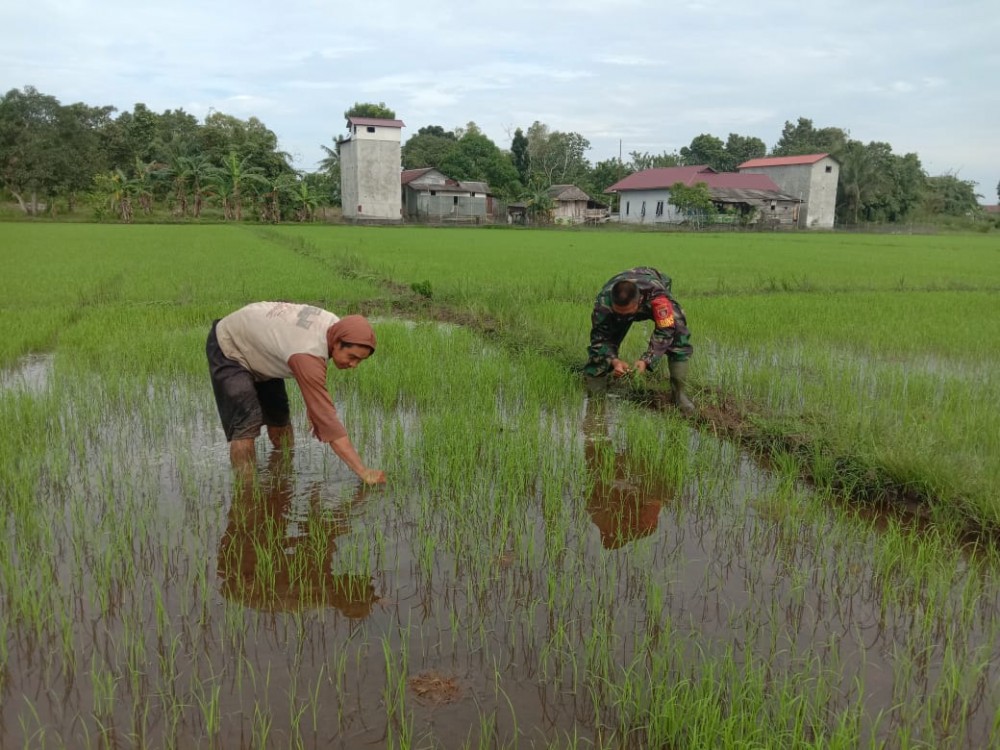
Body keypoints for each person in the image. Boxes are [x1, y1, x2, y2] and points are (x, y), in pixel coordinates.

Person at [206, 301, 385, 484]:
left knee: (279, 417)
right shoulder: (307, 352)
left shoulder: (336, 326)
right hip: (230, 345)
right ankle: (247, 492)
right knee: (245, 426)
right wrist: (364, 472)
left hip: (263, 348)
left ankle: (282, 474)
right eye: (352, 357)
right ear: (337, 343)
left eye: (359, 361)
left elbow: (312, 375)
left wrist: (313, 405)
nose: (354, 365)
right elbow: (329, 425)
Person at [585, 266, 694, 414]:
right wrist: (614, 361)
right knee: (599, 349)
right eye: (620, 313)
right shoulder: (604, 303)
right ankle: (595, 398)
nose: (624, 317)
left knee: (678, 334)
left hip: (653, 281)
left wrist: (646, 360)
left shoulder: (658, 299)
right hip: (617, 296)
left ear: (640, 303)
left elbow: (666, 331)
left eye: (627, 313)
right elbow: (600, 340)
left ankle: (679, 395)